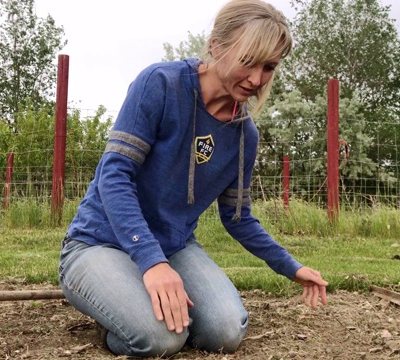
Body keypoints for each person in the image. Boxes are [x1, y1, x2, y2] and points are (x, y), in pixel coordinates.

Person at [57, 0, 328, 357]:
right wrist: (151, 262)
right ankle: (118, 310)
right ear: (216, 45)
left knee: (225, 331)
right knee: (160, 339)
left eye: (268, 67)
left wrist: (291, 266)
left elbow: (239, 218)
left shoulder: (245, 135)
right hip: (99, 242)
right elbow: (114, 176)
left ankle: (138, 299)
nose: (257, 79)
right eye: (249, 61)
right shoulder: (161, 84)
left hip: (174, 246)